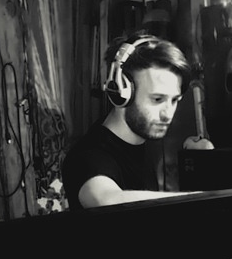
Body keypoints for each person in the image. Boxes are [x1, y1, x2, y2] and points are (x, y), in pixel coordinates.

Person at [62, 31, 199, 210]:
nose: (168, 114)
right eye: (157, 99)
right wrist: (203, 200)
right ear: (121, 93)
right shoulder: (88, 156)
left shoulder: (143, 140)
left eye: (174, 100)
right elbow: (105, 199)